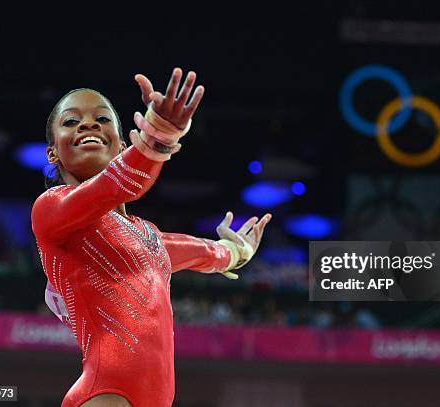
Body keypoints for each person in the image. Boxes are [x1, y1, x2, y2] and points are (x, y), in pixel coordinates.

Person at [31, 68, 272, 407]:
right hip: (105, 394)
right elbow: (121, 184)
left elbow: (205, 252)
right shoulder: (52, 209)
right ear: (53, 152)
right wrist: (157, 140)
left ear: (120, 143)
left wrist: (237, 251)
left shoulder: (149, 238)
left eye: (102, 118)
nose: (88, 124)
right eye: (70, 122)